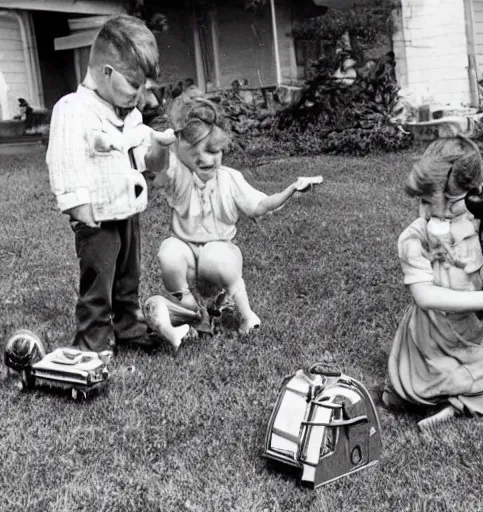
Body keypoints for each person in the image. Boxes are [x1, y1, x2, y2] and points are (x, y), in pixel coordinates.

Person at [386, 136, 483, 432]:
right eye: (426, 202)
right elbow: (425, 297)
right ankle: (431, 393)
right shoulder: (413, 239)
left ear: (475, 196)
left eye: (452, 207)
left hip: (468, 333)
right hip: (430, 336)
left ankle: (448, 403)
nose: (436, 213)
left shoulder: (482, 224)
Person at [46, 14, 175, 353]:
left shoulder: (128, 115)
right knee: (99, 279)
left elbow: (144, 161)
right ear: (106, 72)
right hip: (98, 217)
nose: (143, 98)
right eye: (135, 86)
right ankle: (93, 341)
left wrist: (158, 152)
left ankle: (129, 328)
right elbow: (63, 160)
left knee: (127, 276)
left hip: (127, 208)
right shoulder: (73, 109)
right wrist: (78, 204)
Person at [149, 90, 320, 336]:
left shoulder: (230, 178)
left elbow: (260, 205)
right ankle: (193, 312)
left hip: (219, 255)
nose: (208, 159)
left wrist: (291, 190)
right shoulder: (179, 175)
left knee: (214, 254)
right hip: (188, 254)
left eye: (215, 152)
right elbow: (158, 166)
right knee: (169, 252)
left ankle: (247, 315)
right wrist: (162, 143)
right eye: (199, 153)